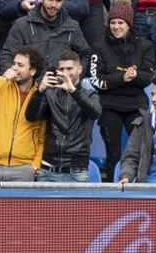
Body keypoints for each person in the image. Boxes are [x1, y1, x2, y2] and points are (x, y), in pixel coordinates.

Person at [89, 0, 156, 181]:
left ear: (129, 25)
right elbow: (96, 80)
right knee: (114, 152)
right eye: (112, 22)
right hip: (109, 105)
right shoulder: (99, 46)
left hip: (135, 105)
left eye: (120, 22)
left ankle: (140, 188)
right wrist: (122, 77)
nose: (116, 26)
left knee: (140, 151)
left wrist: (134, 76)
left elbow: (148, 76)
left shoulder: (145, 46)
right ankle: (112, 190)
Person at [0, 45, 46, 183]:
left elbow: (41, 135)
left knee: (19, 206)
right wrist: (3, 78)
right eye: (13, 64)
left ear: (32, 71)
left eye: (20, 65)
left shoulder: (40, 95)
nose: (14, 68)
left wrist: (35, 165)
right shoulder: (1, 85)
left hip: (23, 168)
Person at [26, 50, 101, 182]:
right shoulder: (50, 93)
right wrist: (40, 91)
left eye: (69, 68)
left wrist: (73, 91)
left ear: (79, 69)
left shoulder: (90, 94)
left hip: (77, 170)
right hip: (48, 169)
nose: (65, 72)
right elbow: (31, 117)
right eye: (61, 69)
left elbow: (95, 112)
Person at [0, 0, 91, 72]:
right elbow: (7, 56)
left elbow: (85, 54)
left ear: (63, 2)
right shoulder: (21, 25)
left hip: (62, 84)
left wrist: (76, 77)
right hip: (30, 84)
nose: (53, 5)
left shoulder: (72, 27)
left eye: (58, 0)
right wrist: (16, 81)